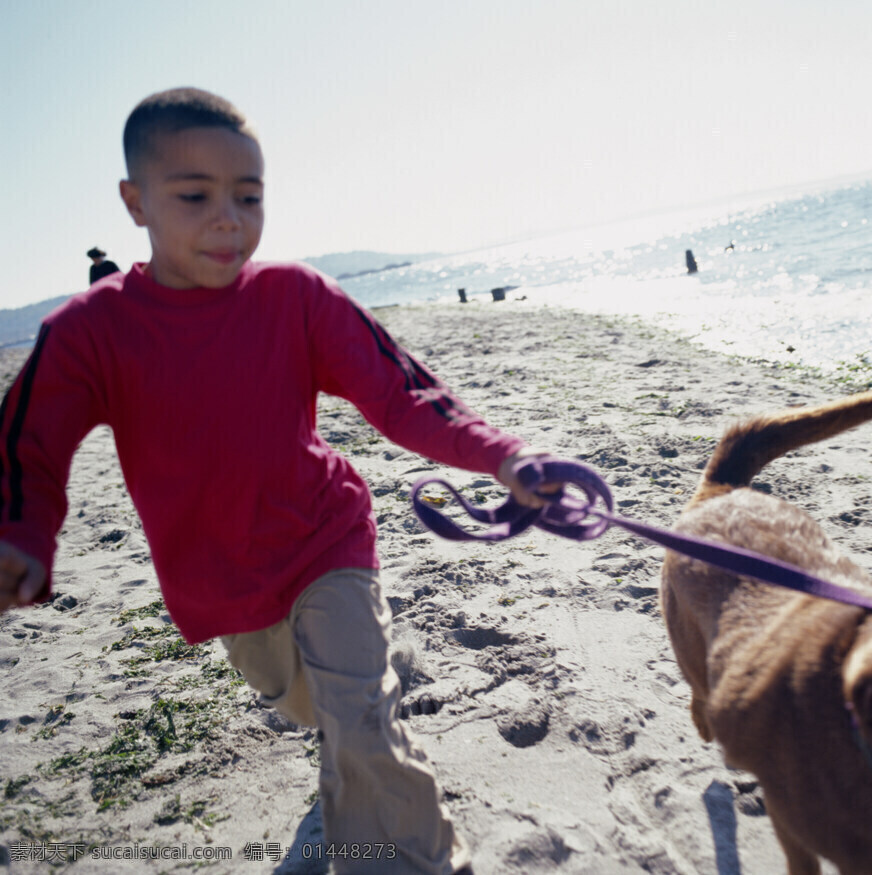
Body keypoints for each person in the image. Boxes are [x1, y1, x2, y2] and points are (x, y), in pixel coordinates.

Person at [0, 87, 553, 875]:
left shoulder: (294, 298)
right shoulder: (90, 331)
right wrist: (21, 535)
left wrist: (501, 454)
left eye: (249, 196)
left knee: (360, 720)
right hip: (221, 582)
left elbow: (401, 391)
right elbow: (30, 444)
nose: (229, 217)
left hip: (326, 538)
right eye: (195, 196)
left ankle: (422, 859)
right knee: (316, 712)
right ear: (136, 202)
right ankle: (351, 752)